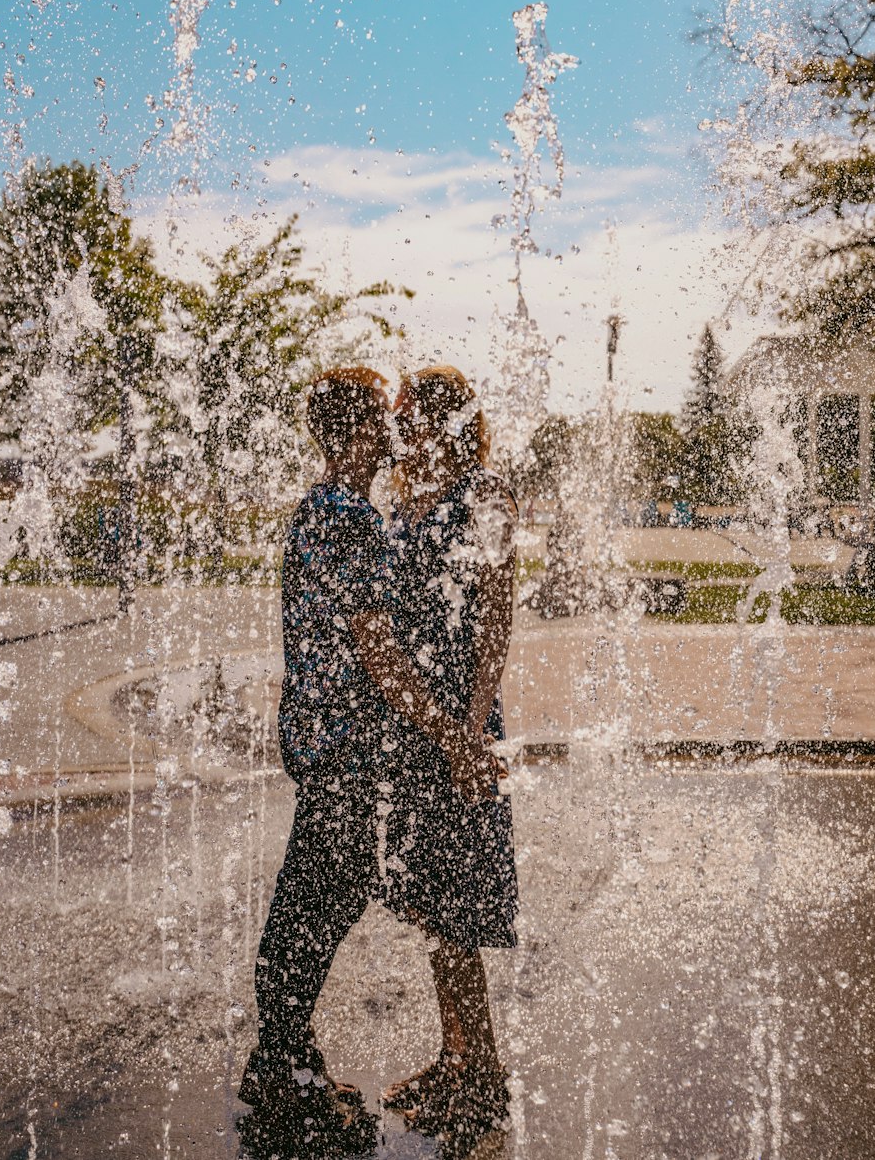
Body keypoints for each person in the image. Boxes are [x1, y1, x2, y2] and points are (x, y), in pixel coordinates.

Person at [238, 367, 495, 1157]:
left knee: (320, 894)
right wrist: (454, 733)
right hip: (345, 746)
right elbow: (378, 651)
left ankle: (285, 1062)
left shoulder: (330, 508)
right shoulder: (344, 515)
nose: (395, 432)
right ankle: (282, 1077)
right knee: (316, 900)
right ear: (359, 433)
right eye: (383, 420)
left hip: (328, 739)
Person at [375, 365, 519, 1154]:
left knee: (459, 902)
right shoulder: (410, 495)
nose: (399, 426)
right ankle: (453, 1057)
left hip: (458, 724)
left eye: (411, 412)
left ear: (444, 418)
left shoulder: (485, 494)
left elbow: (495, 618)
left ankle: (485, 1082)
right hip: (413, 727)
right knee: (430, 900)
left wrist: (469, 731)